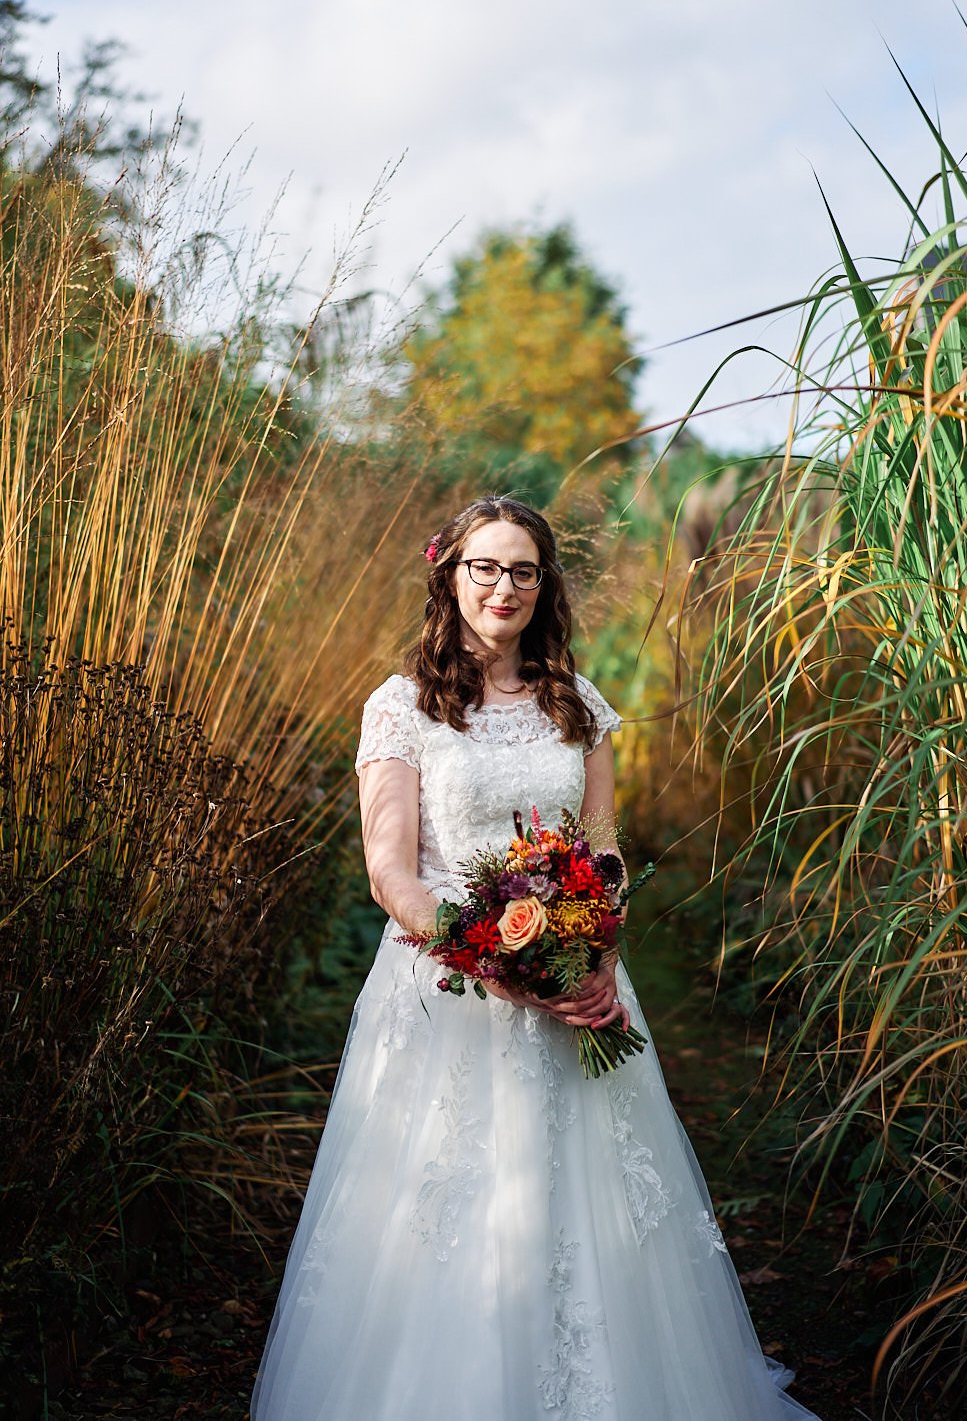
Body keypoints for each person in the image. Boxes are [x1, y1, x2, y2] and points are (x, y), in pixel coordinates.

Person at [250, 495, 820, 1421]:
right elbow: (391, 874)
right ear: (450, 576)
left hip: (575, 985)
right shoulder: (402, 708)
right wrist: (498, 963)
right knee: (451, 1212)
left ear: (544, 584)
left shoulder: (576, 704)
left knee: (593, 1209)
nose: (503, 587)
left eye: (523, 570)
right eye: (485, 567)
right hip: (448, 990)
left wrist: (593, 952)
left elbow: (603, 850)